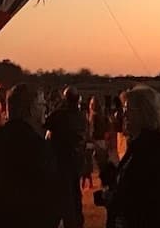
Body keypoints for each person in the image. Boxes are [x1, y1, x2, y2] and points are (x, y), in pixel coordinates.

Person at [0, 84, 61, 228]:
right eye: (42, 104)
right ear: (31, 109)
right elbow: (53, 193)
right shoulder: (38, 145)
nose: (45, 108)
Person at [96, 86, 160, 228]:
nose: (124, 115)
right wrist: (105, 164)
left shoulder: (155, 149)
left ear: (144, 113)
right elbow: (126, 181)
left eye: (128, 110)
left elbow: (144, 197)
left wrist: (110, 197)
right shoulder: (138, 145)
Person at [46, 87, 89, 228]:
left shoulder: (59, 115)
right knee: (75, 195)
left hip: (61, 161)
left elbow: (46, 124)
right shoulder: (82, 117)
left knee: (65, 197)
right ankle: (76, 221)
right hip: (75, 162)